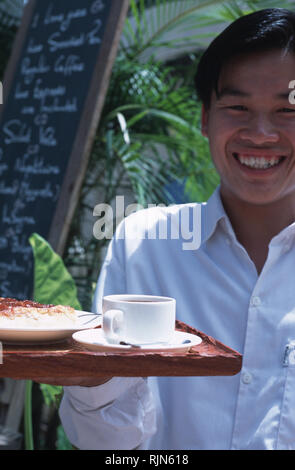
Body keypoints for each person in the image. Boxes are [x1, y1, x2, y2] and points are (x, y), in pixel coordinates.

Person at [55, 8, 295, 449]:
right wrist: (91, 378)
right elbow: (107, 446)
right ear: (205, 117)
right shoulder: (144, 245)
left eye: (287, 110)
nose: (261, 134)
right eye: (238, 106)